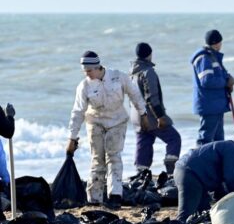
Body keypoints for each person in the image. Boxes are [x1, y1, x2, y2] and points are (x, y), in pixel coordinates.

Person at [67, 51, 147, 208]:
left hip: (117, 122)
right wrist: (72, 137)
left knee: (114, 157)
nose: (87, 74)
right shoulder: (84, 86)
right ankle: (95, 198)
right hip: (95, 123)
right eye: (85, 72)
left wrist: (143, 113)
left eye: (89, 71)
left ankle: (115, 195)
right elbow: (77, 112)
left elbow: (134, 94)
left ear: (98, 67)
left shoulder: (119, 77)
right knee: (97, 160)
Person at [174, 129, 234, 222]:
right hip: (191, 175)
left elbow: (218, 182)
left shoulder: (224, 146)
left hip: (188, 172)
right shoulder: (233, 150)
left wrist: (222, 197)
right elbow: (231, 178)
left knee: (204, 213)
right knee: (185, 216)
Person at [130, 42, 182, 175]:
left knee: (144, 144)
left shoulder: (132, 74)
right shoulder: (148, 72)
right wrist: (160, 116)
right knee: (174, 139)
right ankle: (171, 171)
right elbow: (151, 97)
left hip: (137, 118)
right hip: (151, 117)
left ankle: (140, 175)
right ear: (149, 55)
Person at [191, 29, 234, 146]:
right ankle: (200, 162)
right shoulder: (204, 58)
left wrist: (228, 78)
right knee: (205, 139)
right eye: (220, 42)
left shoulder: (212, 56)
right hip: (209, 104)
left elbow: (219, 74)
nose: (221, 45)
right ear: (216, 43)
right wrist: (225, 82)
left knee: (219, 140)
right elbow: (207, 81)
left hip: (216, 105)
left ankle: (217, 163)